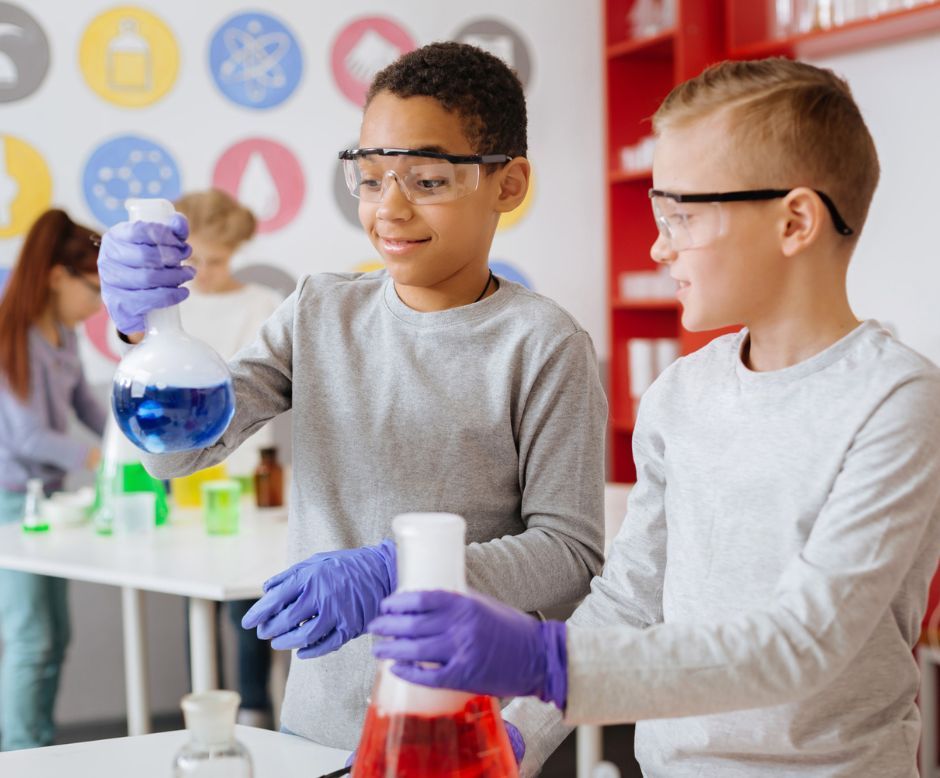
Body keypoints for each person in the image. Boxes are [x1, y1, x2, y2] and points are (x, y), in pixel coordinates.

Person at [368, 58, 940, 777]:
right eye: (657, 212)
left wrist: (544, 658)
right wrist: (515, 738)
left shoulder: (895, 401)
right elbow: (632, 598)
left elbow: (802, 642)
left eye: (683, 216)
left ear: (795, 219)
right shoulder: (682, 393)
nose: (658, 244)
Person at [96, 41, 608, 750]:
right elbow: (179, 454)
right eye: (370, 178)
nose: (389, 208)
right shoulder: (318, 312)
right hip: (318, 727)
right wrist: (144, 335)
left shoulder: (543, 345)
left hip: (467, 731)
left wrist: (406, 572)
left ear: (508, 183)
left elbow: (569, 554)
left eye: (427, 179)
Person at [174, 189, 283, 728]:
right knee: (194, 592)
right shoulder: (171, 308)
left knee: (246, 595)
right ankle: (205, 712)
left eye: (217, 261)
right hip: (184, 475)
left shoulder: (260, 305)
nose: (207, 272)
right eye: (195, 259)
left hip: (243, 471)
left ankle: (253, 709)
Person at [0, 209, 108, 750]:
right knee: (30, 636)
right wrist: (99, 461)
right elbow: (27, 438)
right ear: (57, 277)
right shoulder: (12, 335)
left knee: (53, 635)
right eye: (94, 288)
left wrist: (130, 439)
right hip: (9, 503)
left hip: (41, 502)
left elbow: (89, 407)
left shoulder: (62, 336)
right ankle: (20, 753)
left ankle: (34, 744)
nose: (100, 304)